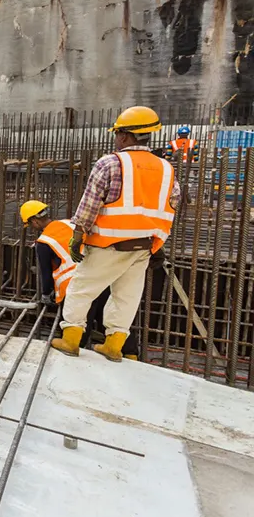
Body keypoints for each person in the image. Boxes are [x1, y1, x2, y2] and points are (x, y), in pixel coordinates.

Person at [51, 106, 180, 362]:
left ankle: (71, 339)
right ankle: (114, 345)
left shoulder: (111, 162)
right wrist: (158, 242)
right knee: (127, 295)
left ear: (123, 135)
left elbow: (89, 204)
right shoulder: (166, 168)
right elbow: (172, 204)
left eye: (117, 134)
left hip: (108, 243)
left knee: (82, 288)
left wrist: (78, 236)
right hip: (143, 245)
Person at [21, 200, 138, 359]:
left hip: (75, 284)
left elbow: (46, 273)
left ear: (34, 221)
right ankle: (130, 354)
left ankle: (74, 351)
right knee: (111, 315)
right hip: (100, 275)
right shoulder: (70, 223)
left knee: (78, 321)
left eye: (31, 225)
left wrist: (46, 294)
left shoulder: (44, 242)